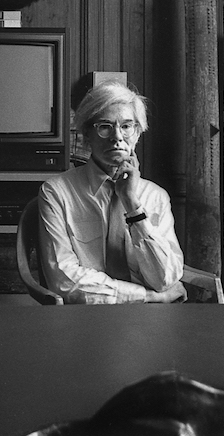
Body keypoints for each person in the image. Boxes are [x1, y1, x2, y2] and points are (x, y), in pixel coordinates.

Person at [37, 81, 187, 304]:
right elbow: (64, 280)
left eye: (127, 126)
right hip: (86, 317)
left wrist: (132, 205)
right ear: (87, 134)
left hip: (151, 319)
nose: (117, 137)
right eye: (105, 126)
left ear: (137, 134)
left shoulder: (156, 197)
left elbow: (163, 279)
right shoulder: (56, 192)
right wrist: (148, 297)